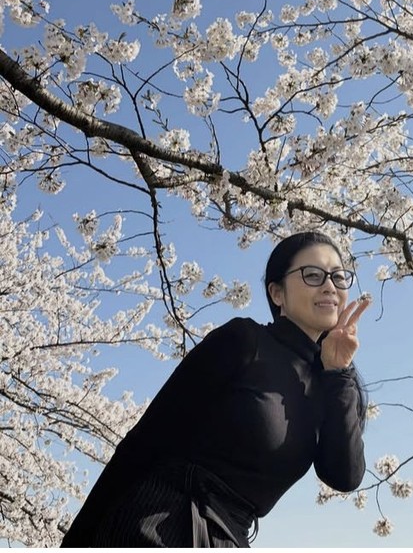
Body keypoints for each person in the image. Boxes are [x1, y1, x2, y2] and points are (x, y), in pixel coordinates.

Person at [60, 230, 370, 547]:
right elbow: (144, 442)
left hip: (230, 537)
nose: (329, 286)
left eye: (338, 276)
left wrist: (338, 371)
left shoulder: (333, 384)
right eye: (313, 275)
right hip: (159, 522)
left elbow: (343, 476)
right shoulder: (243, 341)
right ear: (277, 293)